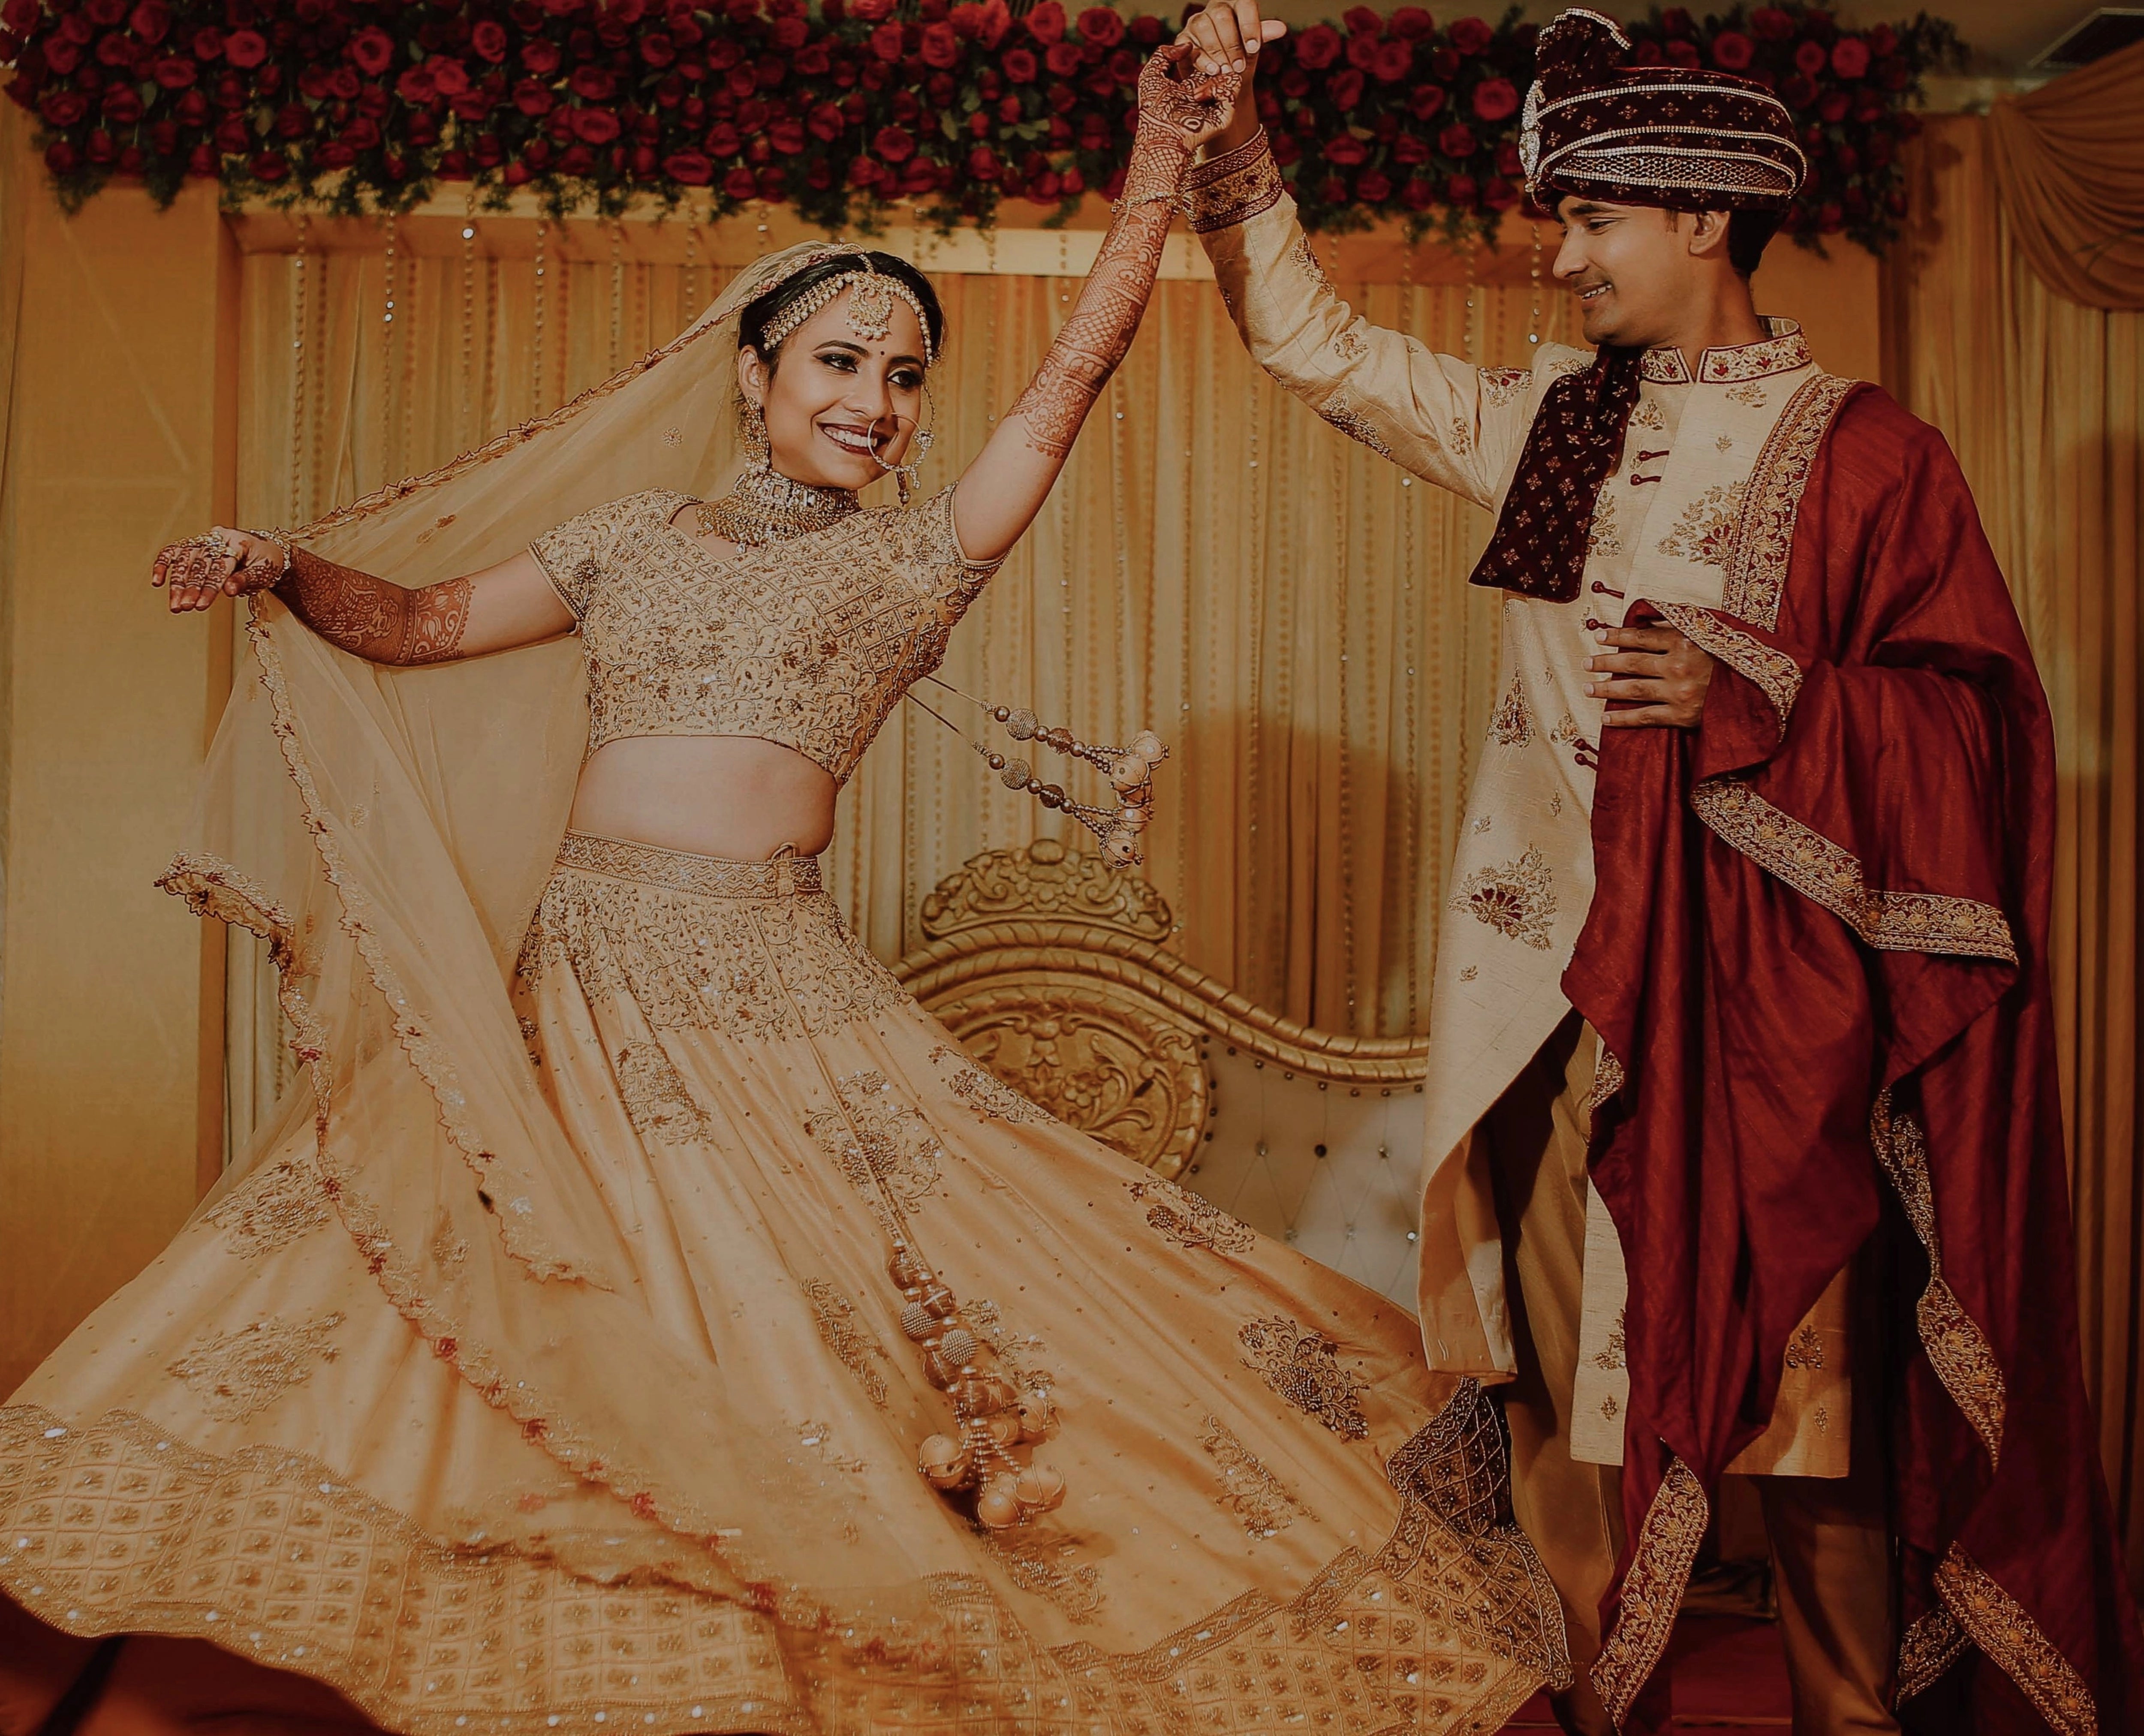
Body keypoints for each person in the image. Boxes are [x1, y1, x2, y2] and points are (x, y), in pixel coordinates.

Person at [0, 41, 1571, 1736]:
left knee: (846, 1337)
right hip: (577, 987)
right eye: (837, 359)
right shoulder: (625, 543)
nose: (872, 400)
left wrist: (1147, 176)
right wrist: (277, 561)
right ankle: (561, 1653)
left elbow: (1068, 381)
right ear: (752, 372)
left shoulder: (913, 559)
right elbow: (418, 625)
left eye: (902, 376)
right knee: (436, 1292)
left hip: (782, 996)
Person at [1174, 4, 2144, 1733]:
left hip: (1759, 998)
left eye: (1591, 220)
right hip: (1538, 977)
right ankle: (1590, 1691)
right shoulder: (1558, 423)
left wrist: (1753, 691)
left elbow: (1973, 724)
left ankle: (1842, 1711)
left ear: (1703, 219)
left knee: (1797, 1371)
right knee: (1552, 1370)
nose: (1559, 260)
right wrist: (1233, 148)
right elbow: (1318, 351)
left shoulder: (1862, 451)